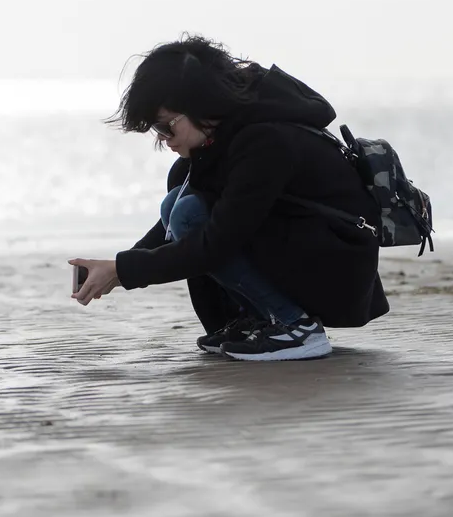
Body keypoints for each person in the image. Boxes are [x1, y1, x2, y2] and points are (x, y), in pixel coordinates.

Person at [68, 35, 388, 361]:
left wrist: (124, 269)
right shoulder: (222, 142)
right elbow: (178, 229)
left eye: (166, 128)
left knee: (189, 212)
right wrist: (118, 268)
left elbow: (216, 241)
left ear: (200, 105)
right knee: (178, 200)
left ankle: (296, 328)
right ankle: (256, 321)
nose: (164, 140)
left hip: (337, 273)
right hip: (308, 254)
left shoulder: (265, 141)